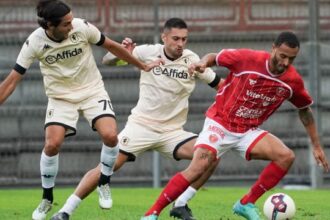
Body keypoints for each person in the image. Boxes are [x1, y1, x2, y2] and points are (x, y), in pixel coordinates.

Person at [140, 31, 329, 220]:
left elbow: (305, 110)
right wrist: (203, 63)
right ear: (273, 48)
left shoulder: (293, 81)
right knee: (198, 167)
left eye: (292, 59)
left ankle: (246, 203)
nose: (286, 63)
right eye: (283, 56)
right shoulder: (248, 59)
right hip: (220, 122)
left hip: (247, 131)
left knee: (285, 157)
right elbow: (214, 57)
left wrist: (317, 145)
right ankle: (152, 213)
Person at [0, 1, 162, 220]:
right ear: (50, 25)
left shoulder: (82, 27)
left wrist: (141, 65)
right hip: (60, 98)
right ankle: (47, 198)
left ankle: (104, 182)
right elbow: (11, 81)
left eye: (71, 20)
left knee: (111, 136)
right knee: (52, 144)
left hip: (92, 91)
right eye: (66, 24)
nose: (71, 26)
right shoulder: (34, 43)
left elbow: (112, 46)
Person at [50, 18, 222, 220]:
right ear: (164, 37)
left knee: (211, 155)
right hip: (141, 126)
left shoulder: (192, 60)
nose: (180, 44)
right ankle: (65, 211)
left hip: (173, 132)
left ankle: (181, 204)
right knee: (107, 167)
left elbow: (220, 85)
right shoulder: (147, 51)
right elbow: (108, 60)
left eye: (184, 39)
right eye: (175, 39)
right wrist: (126, 52)